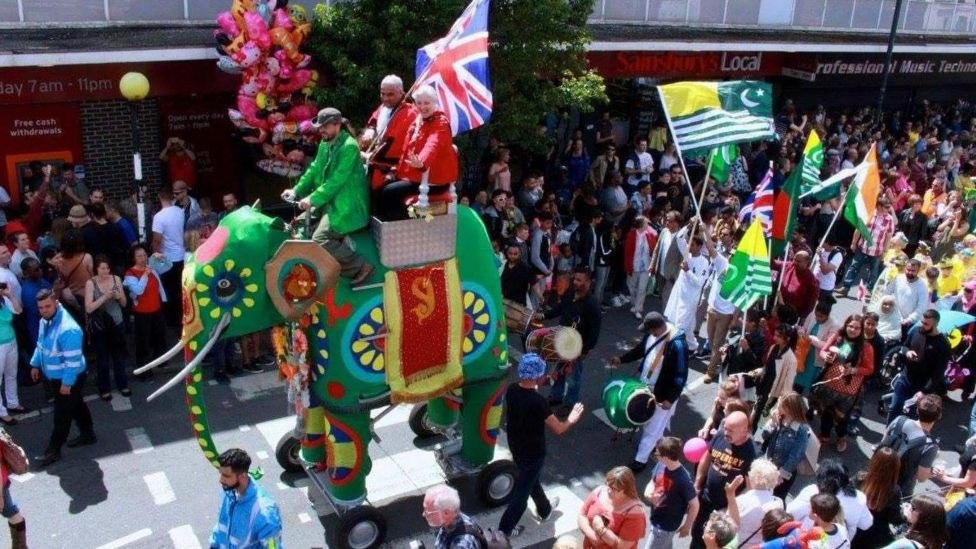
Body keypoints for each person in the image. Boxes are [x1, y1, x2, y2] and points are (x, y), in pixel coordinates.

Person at [281, 107, 374, 286]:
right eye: (319, 126)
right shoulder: (325, 143)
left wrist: (312, 199)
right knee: (297, 224)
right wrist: (296, 190)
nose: (321, 130)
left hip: (347, 205)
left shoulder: (349, 147)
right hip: (329, 201)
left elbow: (337, 181)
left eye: (325, 126)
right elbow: (314, 168)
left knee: (320, 239)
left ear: (337, 125)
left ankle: (360, 266)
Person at [498, 353, 582, 538]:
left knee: (530, 479)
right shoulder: (539, 402)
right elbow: (559, 429)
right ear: (537, 375)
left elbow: (530, 386)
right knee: (522, 492)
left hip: (516, 445)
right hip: (534, 451)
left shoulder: (512, 389)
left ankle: (544, 509)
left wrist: (546, 379)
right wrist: (571, 419)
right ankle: (503, 531)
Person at [609, 312, 688, 473]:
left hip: (662, 393)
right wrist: (622, 359)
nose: (649, 333)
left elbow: (680, 374)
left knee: (653, 427)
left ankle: (641, 459)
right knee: (653, 424)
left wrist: (670, 399)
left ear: (657, 328)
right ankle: (656, 445)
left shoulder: (677, 345)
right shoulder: (652, 336)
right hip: (646, 387)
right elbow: (640, 351)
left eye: (650, 330)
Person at [30, 289, 95, 467]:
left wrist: (67, 383)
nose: (44, 310)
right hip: (58, 376)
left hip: (68, 377)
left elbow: (72, 361)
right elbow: (41, 344)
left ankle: (53, 450)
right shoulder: (46, 320)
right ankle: (88, 434)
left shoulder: (69, 330)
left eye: (47, 306)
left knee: (62, 414)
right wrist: (35, 363)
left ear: (56, 303)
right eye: (41, 307)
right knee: (77, 405)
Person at [379, 85, 458, 220]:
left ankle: (409, 224)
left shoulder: (441, 123)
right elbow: (405, 149)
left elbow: (433, 144)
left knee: (389, 193)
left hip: (433, 180)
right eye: (419, 103)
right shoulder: (418, 120)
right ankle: (396, 220)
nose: (422, 107)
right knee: (381, 184)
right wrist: (394, 168)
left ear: (434, 103)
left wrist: (422, 162)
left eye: (427, 103)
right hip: (413, 174)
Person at [690, 411, 757, 549]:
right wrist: (697, 484)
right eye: (725, 427)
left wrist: (730, 506)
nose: (726, 432)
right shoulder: (721, 435)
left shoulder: (753, 454)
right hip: (705, 499)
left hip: (723, 510)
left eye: (730, 430)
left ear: (744, 430)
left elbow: (750, 488)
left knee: (713, 542)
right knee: (697, 534)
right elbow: (706, 458)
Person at [541, 268, 601, 409]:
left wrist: (584, 350)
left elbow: (594, 333)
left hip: (577, 348)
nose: (575, 282)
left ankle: (570, 403)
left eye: (579, 280)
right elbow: (560, 308)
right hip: (562, 341)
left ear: (588, 282)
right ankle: (556, 396)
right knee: (558, 370)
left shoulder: (592, 304)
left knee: (573, 377)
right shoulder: (570, 293)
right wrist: (544, 315)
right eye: (574, 279)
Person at [886, 309, 950, 425]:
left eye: (926, 324)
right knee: (894, 408)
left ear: (935, 324)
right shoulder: (916, 331)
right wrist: (907, 352)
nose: (922, 325)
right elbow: (904, 346)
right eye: (922, 322)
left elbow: (939, 373)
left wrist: (924, 391)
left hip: (921, 385)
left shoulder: (943, 344)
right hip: (905, 378)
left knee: (911, 416)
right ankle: (887, 437)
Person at [210, 448, 282, 549]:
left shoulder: (265, 511)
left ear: (242, 476)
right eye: (221, 474)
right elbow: (221, 526)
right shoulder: (228, 492)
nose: (221, 480)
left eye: (226, 475)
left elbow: (272, 546)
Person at [360, 74, 420, 194]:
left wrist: (370, 156)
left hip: (394, 168)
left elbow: (392, 144)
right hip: (375, 162)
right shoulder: (383, 107)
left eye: (390, 94)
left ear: (401, 93)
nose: (385, 98)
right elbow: (373, 121)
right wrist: (370, 130)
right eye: (383, 93)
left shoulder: (410, 113)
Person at [787, 459, 873, 540]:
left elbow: (790, 513)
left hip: (805, 539)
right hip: (839, 542)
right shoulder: (859, 498)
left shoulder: (812, 492)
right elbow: (866, 524)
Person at [85, 255, 129, 400]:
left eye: (107, 268)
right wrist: (104, 297)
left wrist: (118, 296)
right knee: (102, 359)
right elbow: (89, 308)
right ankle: (104, 388)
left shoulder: (116, 279)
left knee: (119, 357)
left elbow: (123, 303)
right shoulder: (91, 283)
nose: (105, 271)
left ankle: (122, 384)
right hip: (101, 326)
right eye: (102, 268)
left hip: (116, 323)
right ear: (96, 269)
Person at [878, 394, 941, 496]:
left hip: (878, 473)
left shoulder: (899, 420)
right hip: (900, 488)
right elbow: (921, 478)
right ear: (938, 416)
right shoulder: (930, 445)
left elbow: (884, 441)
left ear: (917, 410)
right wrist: (934, 470)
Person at [123, 244, 171, 378]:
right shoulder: (130, 274)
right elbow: (138, 290)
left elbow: (168, 266)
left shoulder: (152, 268)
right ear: (133, 258)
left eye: (144, 255)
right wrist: (145, 275)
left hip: (156, 309)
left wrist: (162, 257)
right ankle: (143, 370)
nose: (143, 258)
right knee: (142, 343)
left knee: (160, 338)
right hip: (141, 313)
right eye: (139, 256)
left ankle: (161, 361)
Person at [644, 437, 699, 549]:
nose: (655, 455)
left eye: (657, 454)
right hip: (657, 517)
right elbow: (652, 480)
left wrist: (687, 527)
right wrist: (648, 492)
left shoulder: (683, 479)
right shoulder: (662, 464)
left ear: (666, 457)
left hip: (664, 527)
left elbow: (695, 504)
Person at [759, 392, 812, 499]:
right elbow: (764, 436)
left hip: (782, 473)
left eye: (780, 403)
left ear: (789, 408)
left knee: (776, 499)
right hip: (768, 465)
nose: (777, 405)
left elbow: (796, 456)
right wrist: (772, 423)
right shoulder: (778, 417)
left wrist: (780, 475)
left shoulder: (801, 430)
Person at [578, 467, 646, 549]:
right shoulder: (599, 491)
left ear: (626, 490)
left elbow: (623, 546)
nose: (609, 491)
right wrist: (592, 535)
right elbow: (582, 515)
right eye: (608, 485)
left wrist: (601, 530)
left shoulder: (634, 512)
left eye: (614, 489)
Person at [723, 459, 784, 548]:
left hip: (736, 544)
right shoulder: (778, 504)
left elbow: (728, 523)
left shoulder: (741, 500)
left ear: (752, 477)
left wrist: (730, 494)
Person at [663, 235, 709, 352]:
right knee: (684, 325)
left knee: (679, 325)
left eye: (692, 245)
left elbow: (699, 282)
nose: (689, 247)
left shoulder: (704, 262)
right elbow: (679, 239)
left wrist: (687, 271)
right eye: (689, 244)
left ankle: (673, 350)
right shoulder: (686, 255)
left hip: (689, 299)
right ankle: (693, 346)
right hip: (678, 295)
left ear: (699, 247)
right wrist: (688, 226)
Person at [852, 448, 903, 549]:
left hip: (855, 525)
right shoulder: (893, 490)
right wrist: (905, 515)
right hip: (875, 533)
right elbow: (894, 518)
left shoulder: (860, 478)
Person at [751, 324, 798, 428]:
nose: (774, 338)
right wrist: (760, 371)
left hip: (773, 394)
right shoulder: (773, 348)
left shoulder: (791, 360)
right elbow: (767, 367)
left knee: (762, 423)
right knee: (754, 415)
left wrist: (781, 404)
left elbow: (788, 386)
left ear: (788, 339)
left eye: (778, 336)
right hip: (763, 387)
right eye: (775, 335)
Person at [152, 187, 186, 327]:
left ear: (160, 198)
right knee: (181, 289)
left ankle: (174, 323)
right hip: (182, 256)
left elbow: (157, 240)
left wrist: (155, 253)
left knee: (168, 292)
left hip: (167, 260)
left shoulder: (159, 217)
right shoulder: (180, 212)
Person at [421, 484, 486, 549]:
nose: (423, 514)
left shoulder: (461, 545)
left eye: (428, 512)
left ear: (446, 513)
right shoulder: (453, 517)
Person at [795, 302, 838, 395]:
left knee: (807, 383)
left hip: (815, 357)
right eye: (816, 315)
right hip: (803, 352)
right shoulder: (812, 315)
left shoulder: (834, 325)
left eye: (821, 316)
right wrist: (801, 332)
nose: (817, 318)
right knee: (796, 378)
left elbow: (828, 345)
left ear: (828, 315)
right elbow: (804, 328)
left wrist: (811, 339)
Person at [881, 494, 947, 549]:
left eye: (913, 508)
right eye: (910, 504)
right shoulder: (935, 543)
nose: (909, 507)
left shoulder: (905, 545)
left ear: (925, 518)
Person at [622, 216, 656, 319]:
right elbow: (627, 252)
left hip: (645, 266)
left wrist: (653, 265)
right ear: (640, 225)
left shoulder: (650, 235)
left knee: (642, 289)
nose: (647, 225)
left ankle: (638, 309)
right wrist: (628, 266)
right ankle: (634, 303)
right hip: (634, 265)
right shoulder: (631, 234)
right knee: (632, 287)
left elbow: (654, 250)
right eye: (646, 223)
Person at [0, 285, 22, 426]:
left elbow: (18, 310)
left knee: (11, 374)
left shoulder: (3, 301)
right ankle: (2, 412)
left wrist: (10, 296)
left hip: (11, 341)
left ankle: (13, 403)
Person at [19, 258, 50, 354]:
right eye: (36, 269)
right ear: (27, 273)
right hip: (40, 330)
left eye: (40, 267)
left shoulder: (41, 280)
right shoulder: (28, 291)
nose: (40, 270)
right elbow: (41, 313)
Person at [886, 259, 928, 330]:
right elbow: (887, 292)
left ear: (918, 270)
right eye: (908, 270)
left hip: (908, 323)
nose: (910, 272)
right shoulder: (898, 278)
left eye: (913, 271)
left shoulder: (922, 285)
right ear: (905, 268)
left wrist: (910, 319)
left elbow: (922, 306)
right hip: (892, 316)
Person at [776, 251, 819, 321]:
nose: (795, 262)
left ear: (806, 263)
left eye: (798, 261)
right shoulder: (789, 266)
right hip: (779, 310)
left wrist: (800, 317)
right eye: (794, 259)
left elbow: (810, 304)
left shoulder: (812, 281)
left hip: (793, 317)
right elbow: (775, 264)